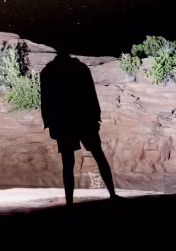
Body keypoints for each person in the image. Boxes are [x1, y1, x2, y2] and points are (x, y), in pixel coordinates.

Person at [39, 52, 118, 205]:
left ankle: (69, 202)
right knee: (99, 156)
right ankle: (112, 194)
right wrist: (96, 117)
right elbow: (90, 94)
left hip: (63, 122)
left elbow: (46, 100)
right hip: (84, 119)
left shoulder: (48, 72)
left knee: (68, 163)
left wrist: (49, 124)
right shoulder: (80, 68)